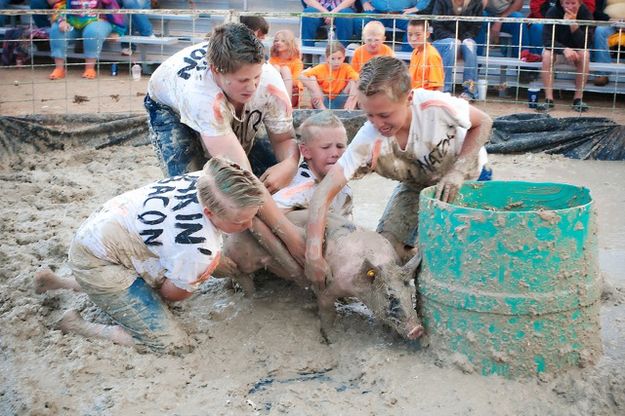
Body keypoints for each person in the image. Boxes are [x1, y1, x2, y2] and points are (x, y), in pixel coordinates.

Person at [34, 157, 265, 352]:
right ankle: (75, 324)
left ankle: (59, 282)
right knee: (169, 343)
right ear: (209, 212)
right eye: (240, 221)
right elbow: (170, 294)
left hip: (100, 230)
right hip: (99, 261)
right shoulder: (200, 251)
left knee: (156, 263)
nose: (248, 225)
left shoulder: (208, 180)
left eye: (252, 216)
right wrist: (206, 269)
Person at [303, 56, 493, 289]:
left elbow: (483, 122)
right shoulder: (368, 137)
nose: (377, 123)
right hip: (418, 185)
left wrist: (459, 170)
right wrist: (313, 253)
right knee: (384, 252)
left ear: (409, 98)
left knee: (460, 257)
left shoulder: (435, 106)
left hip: (468, 176)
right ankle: (413, 262)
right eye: (369, 115)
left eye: (384, 115)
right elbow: (325, 191)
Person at [145, 23, 305, 263]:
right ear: (216, 71)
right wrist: (292, 239)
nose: (252, 86)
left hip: (225, 104)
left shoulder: (269, 83)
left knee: (270, 174)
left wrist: (290, 164)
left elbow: (284, 138)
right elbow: (241, 176)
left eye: (256, 77)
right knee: (194, 190)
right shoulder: (201, 95)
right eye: (243, 80)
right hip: (169, 107)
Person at [273, 111, 353, 217]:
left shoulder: (343, 188)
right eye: (325, 147)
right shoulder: (300, 188)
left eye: (340, 146)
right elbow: (268, 213)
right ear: (306, 151)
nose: (335, 153)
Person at [537, 0, 594, 112]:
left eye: (573, 3)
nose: (570, 6)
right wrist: (563, 49)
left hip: (576, 51)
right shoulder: (552, 11)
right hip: (558, 51)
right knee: (547, 55)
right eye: (567, 3)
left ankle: (578, 99)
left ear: (579, 3)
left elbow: (585, 43)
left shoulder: (585, 13)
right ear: (562, 3)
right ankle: (549, 100)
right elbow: (547, 40)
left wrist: (573, 24)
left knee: (585, 54)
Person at [47, 0, 126, 80]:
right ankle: (59, 69)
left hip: (98, 20)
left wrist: (117, 31)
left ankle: (90, 68)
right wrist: (61, 20)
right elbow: (60, 5)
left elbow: (113, 9)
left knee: (93, 31)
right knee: (56, 29)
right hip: (72, 22)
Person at [431, 0, 483, 100]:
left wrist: (461, 41)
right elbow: (437, 26)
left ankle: (470, 91)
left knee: (470, 45)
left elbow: (476, 28)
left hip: (464, 40)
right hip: (443, 41)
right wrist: (455, 39)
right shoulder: (441, 1)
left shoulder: (476, 2)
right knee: (452, 43)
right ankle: (445, 91)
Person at [300, 41, 359, 109]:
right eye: (332, 59)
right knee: (312, 78)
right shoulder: (321, 67)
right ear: (327, 58)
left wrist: (351, 98)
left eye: (339, 58)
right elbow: (300, 76)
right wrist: (316, 91)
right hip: (323, 100)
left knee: (353, 81)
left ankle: (349, 108)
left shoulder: (346, 67)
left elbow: (357, 78)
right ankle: (323, 111)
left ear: (344, 57)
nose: (336, 62)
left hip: (340, 100)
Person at [358, 0, 433, 51]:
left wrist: (417, 7)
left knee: (415, 27)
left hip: (403, 13)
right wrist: (364, 2)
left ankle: (407, 60)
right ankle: (363, 53)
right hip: (376, 12)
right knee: (359, 21)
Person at [591, 0, 625, 86]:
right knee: (599, 30)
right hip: (610, 23)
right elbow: (596, 11)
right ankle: (602, 74)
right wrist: (610, 19)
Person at [269, 29, 304, 107]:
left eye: (283, 41)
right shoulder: (272, 60)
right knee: (276, 67)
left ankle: (286, 105)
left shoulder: (296, 61)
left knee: (285, 69)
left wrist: (284, 76)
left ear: (290, 43)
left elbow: (296, 81)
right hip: (275, 93)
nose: (278, 42)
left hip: (292, 93)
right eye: (276, 40)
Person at [406, 19, 444, 90]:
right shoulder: (415, 52)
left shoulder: (432, 55)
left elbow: (438, 87)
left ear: (427, 34)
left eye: (418, 35)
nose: (413, 38)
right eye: (410, 34)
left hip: (426, 97)